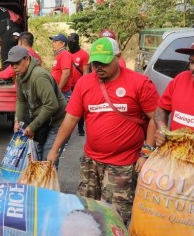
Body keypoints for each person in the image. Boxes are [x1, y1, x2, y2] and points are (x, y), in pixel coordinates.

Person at [47, 37, 159, 224]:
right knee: (86, 213)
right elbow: (71, 118)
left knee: (115, 218)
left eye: (104, 63)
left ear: (118, 57)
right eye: (95, 62)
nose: (99, 67)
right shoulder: (85, 83)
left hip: (123, 165)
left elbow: (155, 117)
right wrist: (54, 149)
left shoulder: (139, 83)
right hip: (91, 163)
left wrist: (146, 152)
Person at [9, 45, 67, 164]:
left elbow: (52, 105)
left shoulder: (38, 76)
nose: (14, 67)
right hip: (44, 119)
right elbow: (21, 100)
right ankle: (39, 183)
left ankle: (48, 182)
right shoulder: (20, 76)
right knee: (37, 157)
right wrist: (17, 120)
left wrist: (33, 126)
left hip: (57, 121)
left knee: (48, 160)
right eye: (12, 64)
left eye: (17, 63)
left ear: (27, 59)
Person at [154, 43, 194, 146]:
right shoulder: (181, 79)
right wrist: (162, 129)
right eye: (192, 62)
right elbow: (161, 109)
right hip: (174, 155)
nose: (193, 68)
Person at [67, 33, 90, 136]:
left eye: (72, 42)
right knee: (67, 108)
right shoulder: (66, 54)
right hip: (67, 85)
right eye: (69, 42)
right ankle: (67, 129)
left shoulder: (84, 55)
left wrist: (83, 86)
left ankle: (80, 128)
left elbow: (85, 72)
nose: (70, 44)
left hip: (78, 85)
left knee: (79, 107)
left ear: (77, 41)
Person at [50, 34, 74, 100]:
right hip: (61, 92)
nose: (53, 44)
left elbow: (66, 73)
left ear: (62, 44)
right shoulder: (60, 55)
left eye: (55, 42)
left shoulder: (64, 54)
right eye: (53, 42)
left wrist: (58, 90)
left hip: (63, 93)